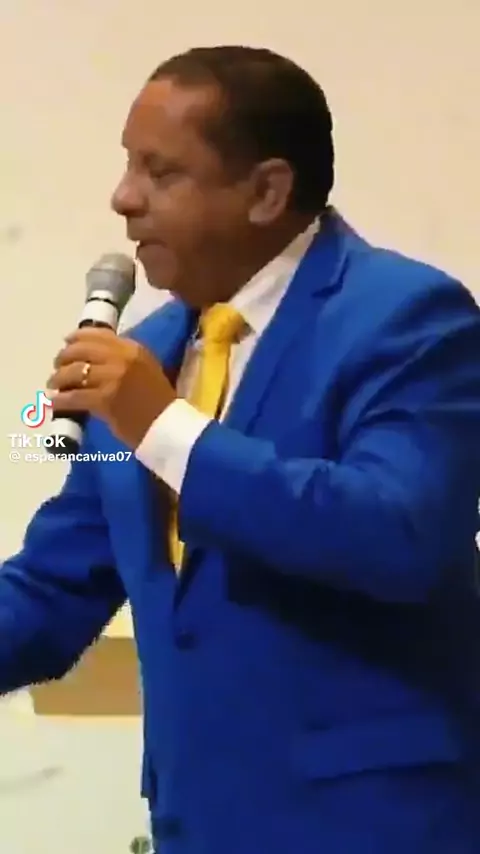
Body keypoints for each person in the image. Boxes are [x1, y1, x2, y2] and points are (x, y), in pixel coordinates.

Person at [1, 45, 480, 854]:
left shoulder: (407, 317)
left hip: (378, 827)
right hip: (201, 825)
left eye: (161, 172)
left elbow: (397, 536)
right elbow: (53, 586)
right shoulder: (145, 359)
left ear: (266, 192)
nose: (123, 198)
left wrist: (167, 430)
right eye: (128, 164)